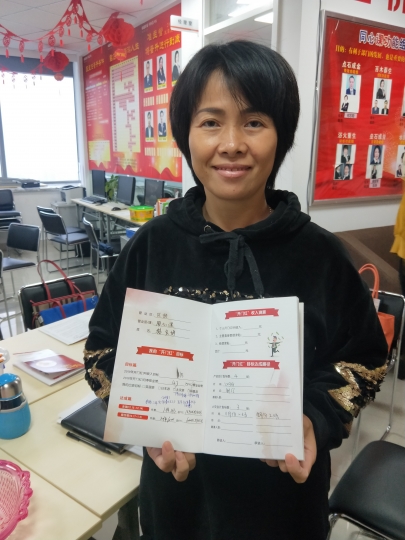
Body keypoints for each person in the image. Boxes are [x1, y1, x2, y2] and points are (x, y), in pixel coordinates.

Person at [84, 41, 387, 540]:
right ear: (185, 134)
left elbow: (365, 361)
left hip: (282, 505)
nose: (231, 144)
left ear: (280, 136)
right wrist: (144, 423)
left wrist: (314, 419)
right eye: (210, 122)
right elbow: (101, 352)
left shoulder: (320, 254)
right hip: (176, 500)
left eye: (254, 122)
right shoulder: (151, 246)